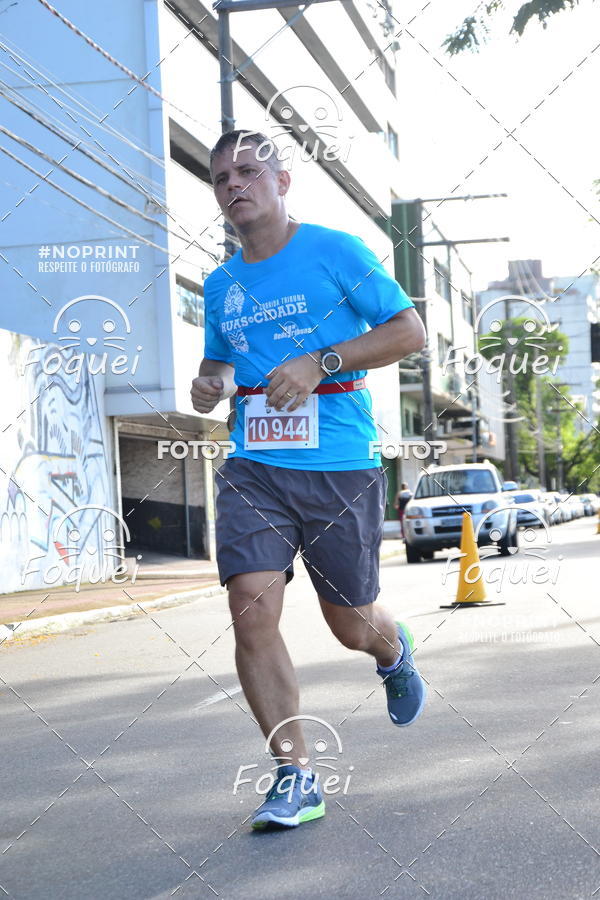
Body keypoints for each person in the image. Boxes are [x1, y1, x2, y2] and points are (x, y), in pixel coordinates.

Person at [190, 130, 427, 831]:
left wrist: (321, 362)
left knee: (350, 622)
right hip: (254, 467)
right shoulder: (220, 284)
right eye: (221, 177)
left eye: (248, 171)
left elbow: (409, 331)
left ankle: (392, 649)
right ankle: (295, 774)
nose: (234, 184)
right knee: (250, 607)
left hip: (340, 464)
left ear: (282, 181)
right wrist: (210, 384)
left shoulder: (335, 251)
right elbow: (220, 367)